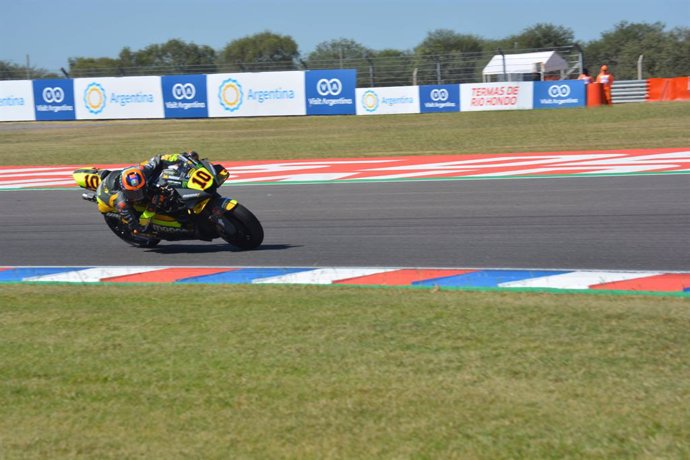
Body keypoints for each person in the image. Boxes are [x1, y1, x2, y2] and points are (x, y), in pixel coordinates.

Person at [96, 151, 201, 234]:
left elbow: (160, 158)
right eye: (134, 194)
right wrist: (138, 227)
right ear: (125, 190)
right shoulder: (121, 201)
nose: (138, 196)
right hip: (107, 197)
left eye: (140, 191)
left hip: (125, 179)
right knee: (138, 225)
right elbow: (134, 224)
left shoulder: (144, 169)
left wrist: (181, 157)